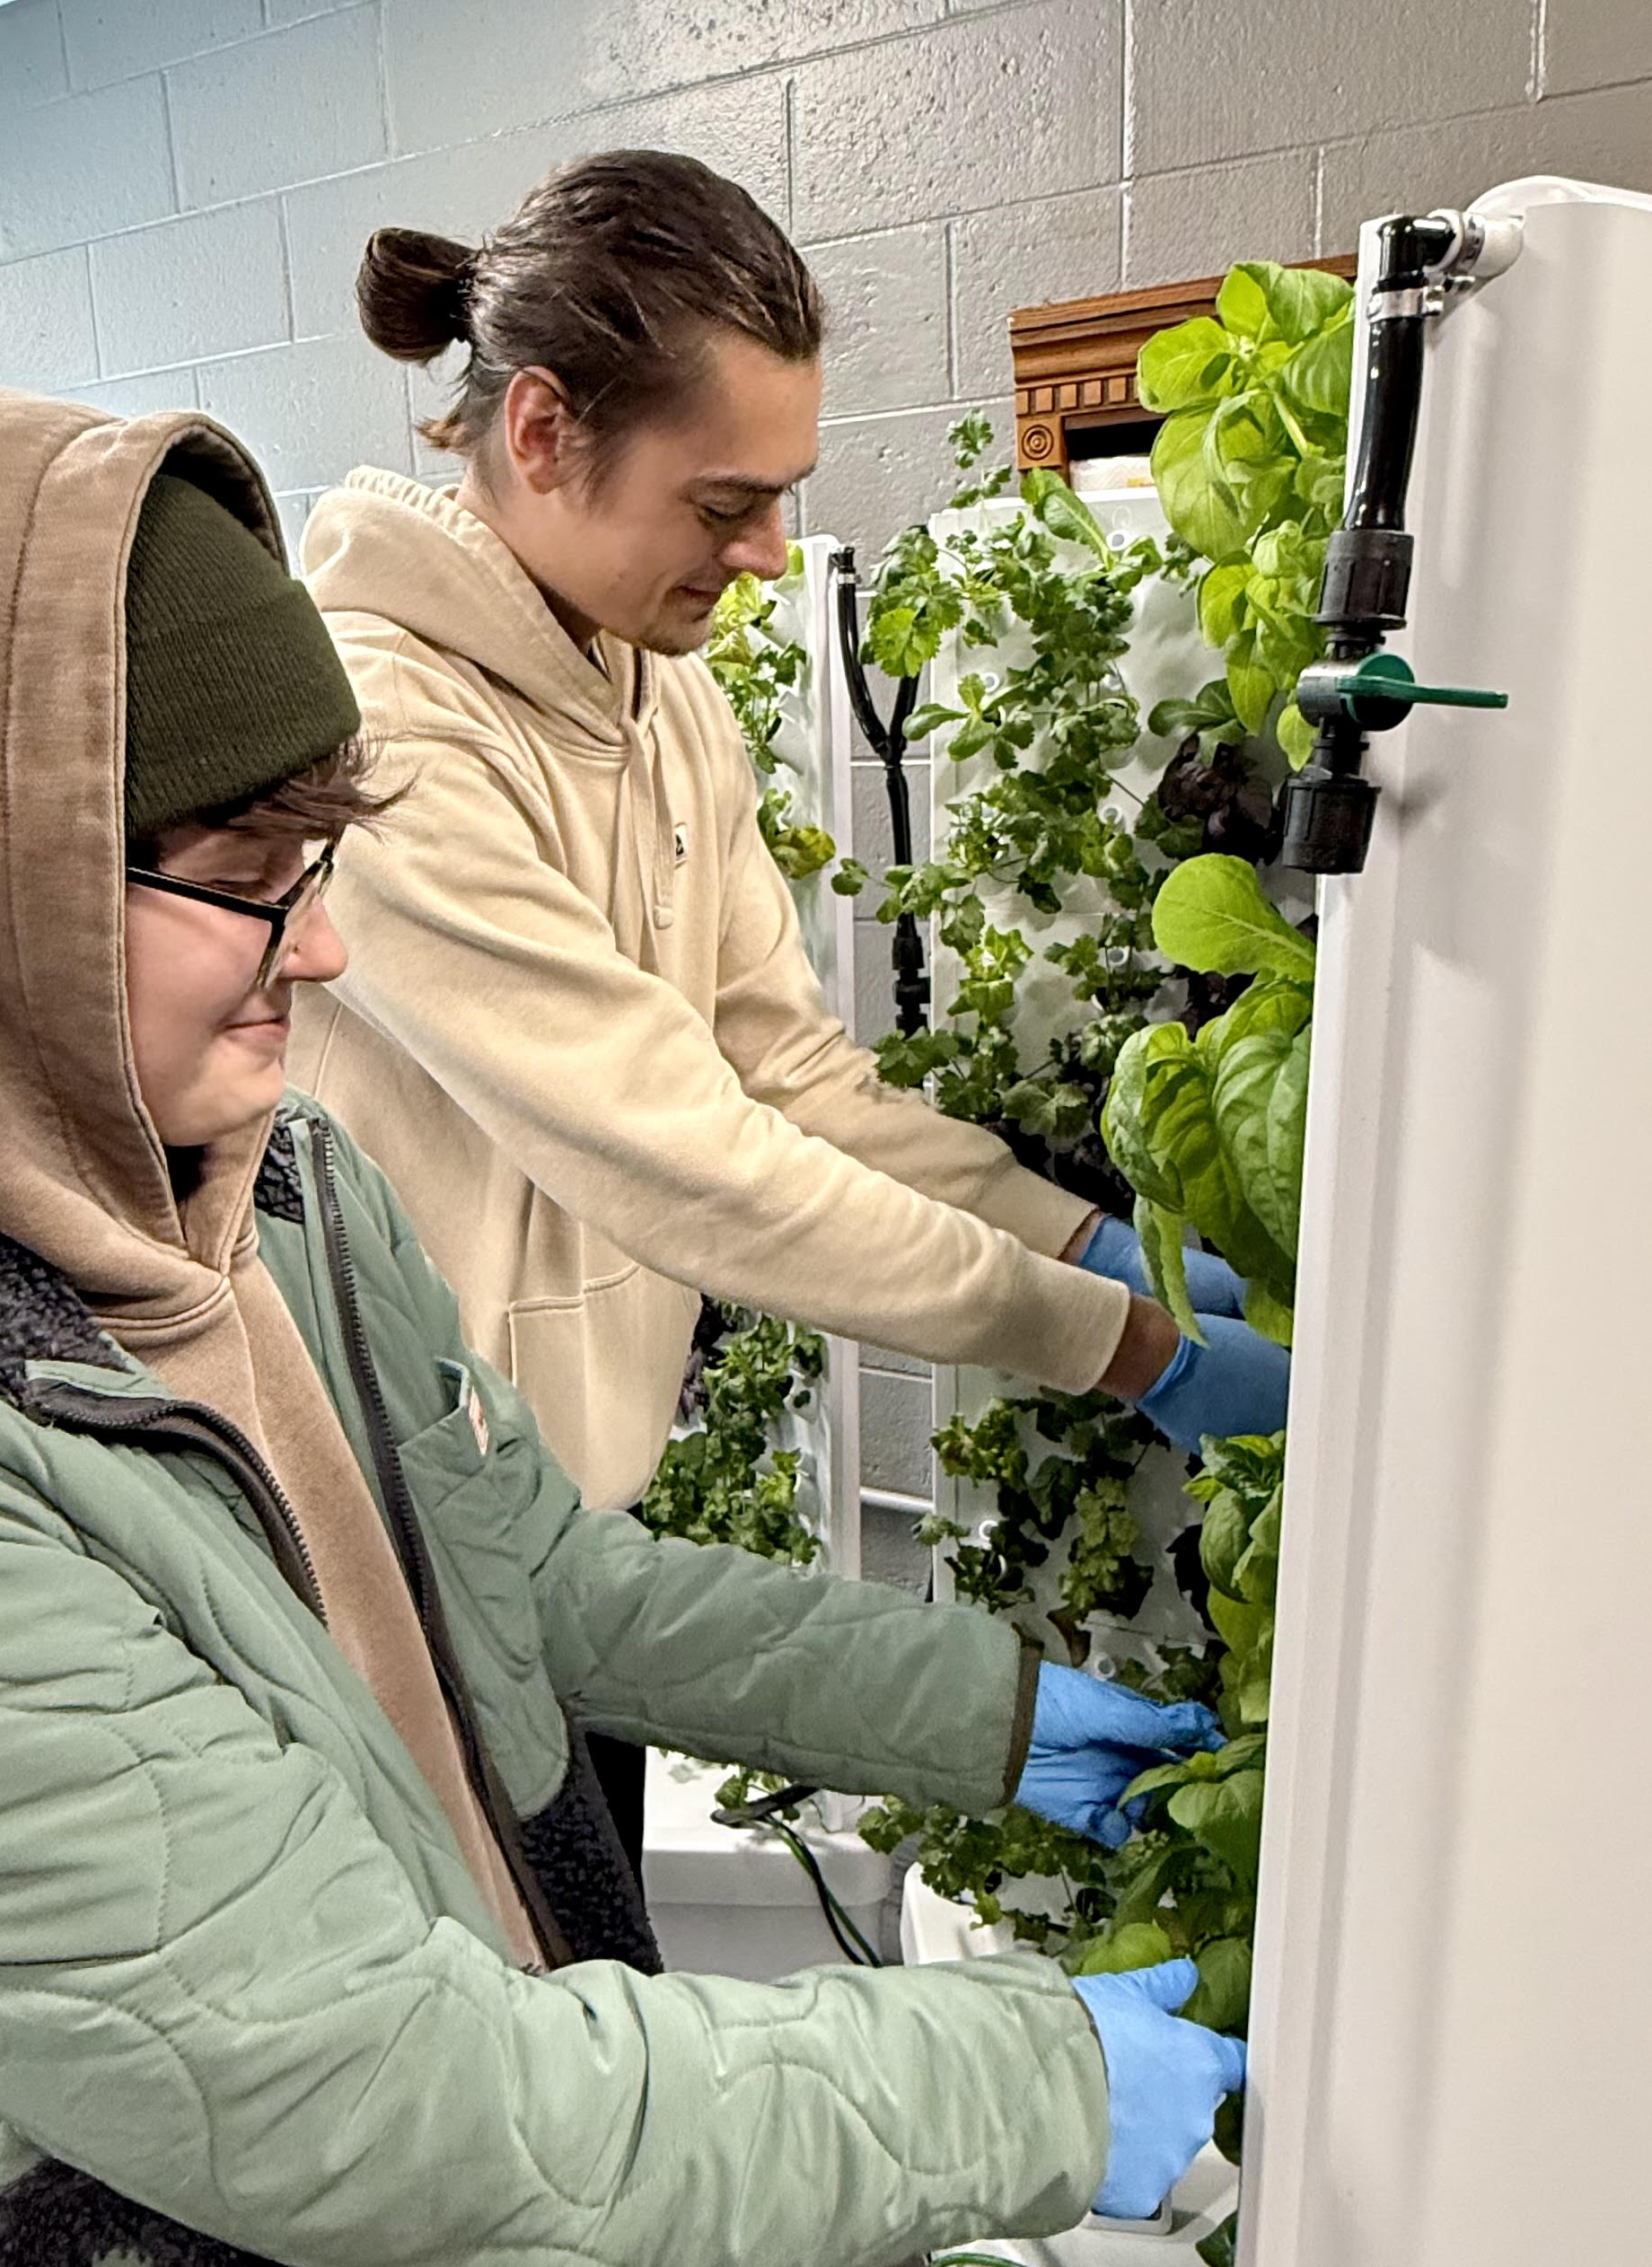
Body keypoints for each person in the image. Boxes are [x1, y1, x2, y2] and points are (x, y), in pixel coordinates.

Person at [0, 341, 1248, 2267]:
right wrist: (1029, 2073)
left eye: (318, 867)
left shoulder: (267, 1202)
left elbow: (549, 1594)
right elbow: (392, 2117)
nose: (327, 954)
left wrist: (986, 1716)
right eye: (244, 882)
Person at [293, 148, 1281, 1838]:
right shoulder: (384, 730)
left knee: (602, 1974)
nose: (769, 554)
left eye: (784, 492)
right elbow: (678, 1149)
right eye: (723, 501)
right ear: (539, 434)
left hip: (557, 1529)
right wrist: (1119, 1346)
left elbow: (788, 1079)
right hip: (377, 1549)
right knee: (520, 2047)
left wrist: (1082, 1241)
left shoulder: (662, 698)